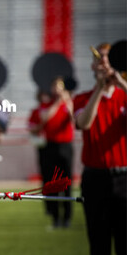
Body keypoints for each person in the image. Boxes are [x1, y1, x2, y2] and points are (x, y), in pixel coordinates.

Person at [73, 43, 126, 255]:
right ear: (93, 66)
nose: (103, 62)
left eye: (107, 58)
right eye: (99, 59)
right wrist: (99, 88)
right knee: (99, 245)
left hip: (124, 178)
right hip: (95, 178)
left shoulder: (124, 96)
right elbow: (84, 123)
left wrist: (121, 82)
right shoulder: (82, 98)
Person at [38, 77, 75, 228]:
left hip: (66, 146)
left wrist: (68, 101)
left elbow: (75, 120)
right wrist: (58, 103)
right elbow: (45, 119)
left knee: (66, 183)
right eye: (55, 86)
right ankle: (55, 218)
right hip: (50, 147)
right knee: (51, 184)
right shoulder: (46, 104)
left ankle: (67, 218)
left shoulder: (69, 103)